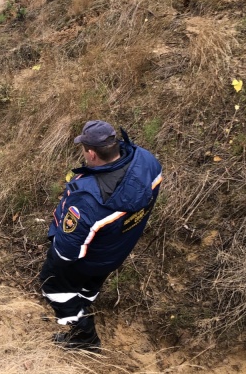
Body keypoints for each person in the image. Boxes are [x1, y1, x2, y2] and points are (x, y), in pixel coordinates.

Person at [39, 120, 163, 351]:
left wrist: (53, 265)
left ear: (92, 154)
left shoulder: (88, 198)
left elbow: (66, 252)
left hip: (90, 257)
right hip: (117, 249)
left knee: (52, 286)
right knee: (90, 285)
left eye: (84, 149)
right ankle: (84, 302)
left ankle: (84, 336)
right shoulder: (147, 161)